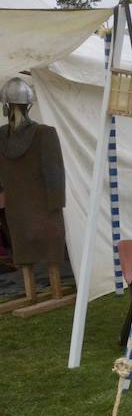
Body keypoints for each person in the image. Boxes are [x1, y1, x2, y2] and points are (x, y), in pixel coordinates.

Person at [0, 77, 67, 271]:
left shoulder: (2, 137)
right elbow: (54, 173)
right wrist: (56, 204)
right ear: (28, 106)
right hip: (43, 208)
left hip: (16, 207)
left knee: (25, 252)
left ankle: (32, 291)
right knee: (49, 249)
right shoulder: (44, 134)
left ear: (6, 106)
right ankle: (53, 290)